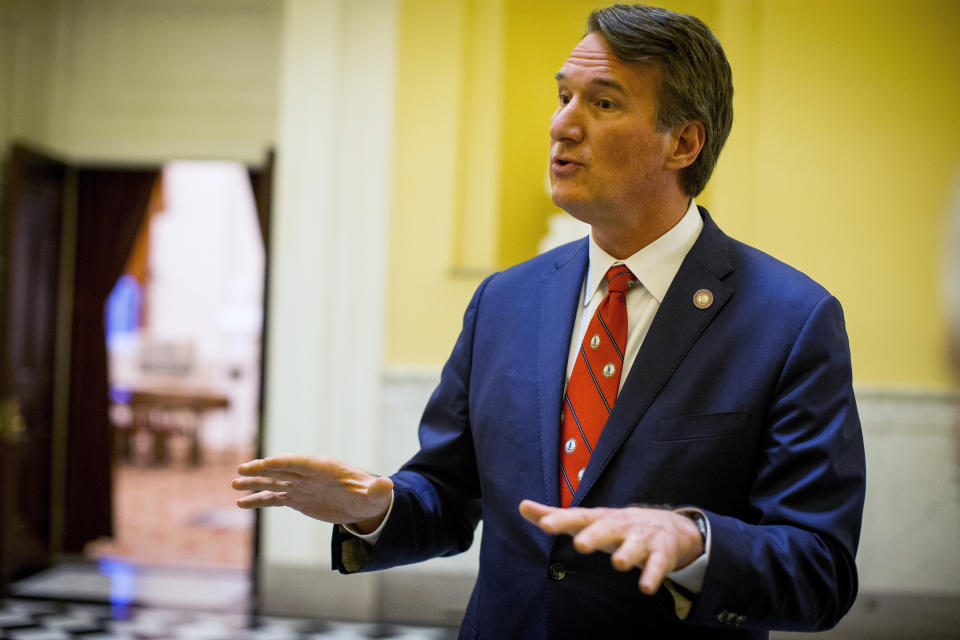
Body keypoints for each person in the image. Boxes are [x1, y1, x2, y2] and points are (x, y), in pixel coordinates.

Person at [233, 4, 866, 638]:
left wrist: (694, 541)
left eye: (604, 103)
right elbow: (448, 496)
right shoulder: (504, 302)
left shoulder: (791, 321)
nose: (562, 124)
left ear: (684, 142)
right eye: (564, 97)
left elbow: (820, 570)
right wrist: (376, 507)